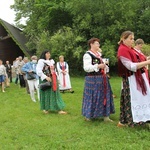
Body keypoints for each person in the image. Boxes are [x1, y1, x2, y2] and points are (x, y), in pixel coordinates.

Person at [117, 31, 150, 127]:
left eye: (133, 38)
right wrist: (148, 63)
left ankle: (141, 120)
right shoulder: (122, 50)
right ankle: (134, 121)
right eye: (130, 39)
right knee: (133, 99)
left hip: (139, 77)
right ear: (123, 39)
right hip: (131, 79)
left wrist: (147, 60)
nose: (133, 40)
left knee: (142, 98)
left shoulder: (131, 49)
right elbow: (131, 66)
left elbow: (142, 59)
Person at [82, 38, 115, 121]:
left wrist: (104, 66)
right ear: (91, 44)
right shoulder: (87, 55)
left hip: (102, 78)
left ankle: (106, 116)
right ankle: (89, 115)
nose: (98, 45)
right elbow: (86, 68)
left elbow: (102, 66)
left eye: (98, 44)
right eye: (96, 43)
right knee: (92, 96)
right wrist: (98, 66)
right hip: (92, 79)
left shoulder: (98, 55)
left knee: (105, 95)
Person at [36, 50, 67, 114]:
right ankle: (46, 108)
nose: (49, 54)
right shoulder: (41, 61)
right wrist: (45, 77)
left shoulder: (51, 62)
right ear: (44, 54)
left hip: (53, 78)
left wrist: (57, 78)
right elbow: (38, 70)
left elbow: (54, 70)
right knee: (46, 93)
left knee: (54, 93)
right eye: (47, 53)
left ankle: (58, 108)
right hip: (45, 79)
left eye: (49, 53)